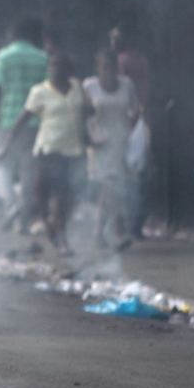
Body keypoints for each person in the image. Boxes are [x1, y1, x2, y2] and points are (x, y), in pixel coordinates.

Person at [2, 52, 86, 256]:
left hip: (72, 150)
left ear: (67, 68)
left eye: (60, 65)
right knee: (42, 192)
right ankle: (50, 228)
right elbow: (23, 119)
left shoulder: (77, 88)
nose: (56, 69)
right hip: (47, 149)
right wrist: (5, 145)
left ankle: (61, 236)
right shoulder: (40, 91)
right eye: (53, 65)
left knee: (63, 196)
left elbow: (84, 116)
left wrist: (92, 140)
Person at [0, 18, 48, 232]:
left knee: (1, 163)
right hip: (34, 122)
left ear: (14, 34)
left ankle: (11, 204)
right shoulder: (42, 57)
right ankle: (23, 219)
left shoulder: (4, 56)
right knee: (28, 169)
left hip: (8, 120)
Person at [82, 49, 139, 249]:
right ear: (97, 67)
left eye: (111, 66)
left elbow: (134, 110)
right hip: (100, 145)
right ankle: (117, 232)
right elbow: (83, 115)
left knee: (110, 190)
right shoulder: (89, 86)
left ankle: (99, 231)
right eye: (103, 66)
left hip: (121, 143)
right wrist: (89, 139)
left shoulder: (127, 85)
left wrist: (133, 130)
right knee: (111, 188)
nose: (108, 70)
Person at [109, 25, 151, 238]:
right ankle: (135, 224)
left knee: (122, 175)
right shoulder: (141, 59)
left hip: (128, 123)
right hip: (143, 122)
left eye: (115, 38)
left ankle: (125, 225)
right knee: (139, 174)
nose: (112, 42)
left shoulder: (121, 61)